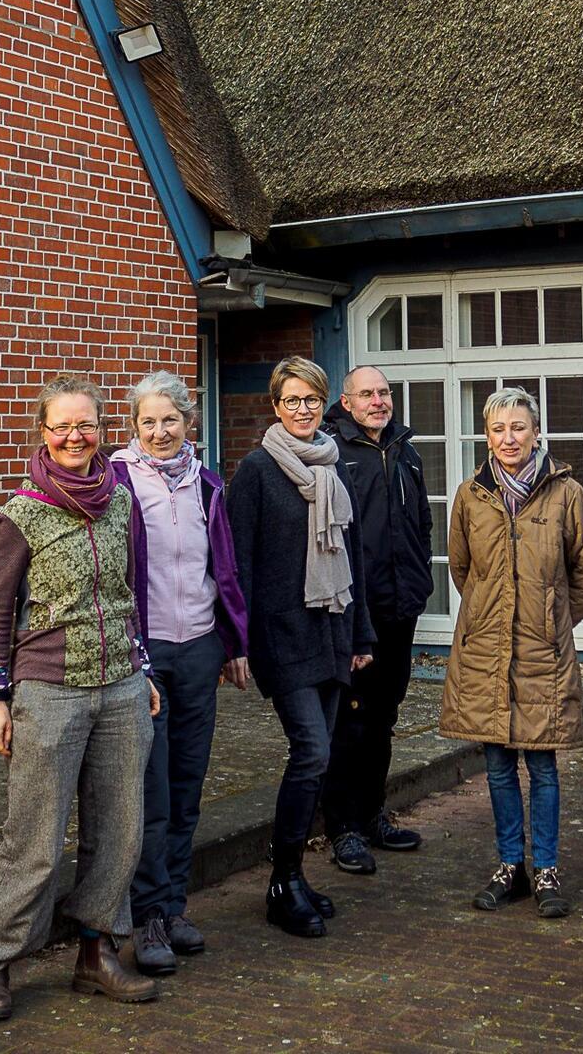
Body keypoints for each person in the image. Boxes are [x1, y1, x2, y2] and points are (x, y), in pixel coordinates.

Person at [0, 375, 162, 1021]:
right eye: (62, 426)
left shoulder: (121, 503)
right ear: (42, 434)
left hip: (121, 690)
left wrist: (145, 668)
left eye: (86, 425)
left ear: (102, 431)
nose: (75, 437)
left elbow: (133, 591)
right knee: (34, 840)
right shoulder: (21, 513)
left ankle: (96, 952)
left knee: (118, 832)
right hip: (48, 692)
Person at [227, 356, 375, 938]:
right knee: (311, 750)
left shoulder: (335, 469)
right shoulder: (257, 472)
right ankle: (281, 881)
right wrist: (236, 643)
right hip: (282, 637)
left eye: (312, 400)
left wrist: (361, 633)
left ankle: (292, 875)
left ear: (325, 405)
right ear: (275, 406)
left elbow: (352, 558)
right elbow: (237, 566)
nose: (303, 410)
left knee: (322, 755)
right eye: (292, 401)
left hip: (332, 631)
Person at [441, 387, 583, 920]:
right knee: (499, 765)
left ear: (537, 432)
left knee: (544, 766)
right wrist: (493, 614)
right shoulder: (471, 495)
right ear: (487, 436)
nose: (508, 438)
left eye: (518, 428)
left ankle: (548, 868)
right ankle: (510, 866)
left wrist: (553, 618)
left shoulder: (566, 493)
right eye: (497, 429)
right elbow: (463, 571)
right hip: (485, 650)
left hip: (541, 650)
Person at [112, 372, 249, 975]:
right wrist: (129, 654)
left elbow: (224, 569)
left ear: (189, 422)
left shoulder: (210, 485)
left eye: (171, 420)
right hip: (145, 655)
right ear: (133, 426)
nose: (160, 431)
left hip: (198, 648)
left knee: (189, 785)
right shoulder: (115, 482)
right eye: (149, 421)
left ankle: (175, 904)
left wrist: (233, 641)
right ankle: (146, 918)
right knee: (152, 790)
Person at [321, 364, 434, 875]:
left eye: (384, 393)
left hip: (399, 609)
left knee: (385, 716)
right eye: (366, 394)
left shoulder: (406, 451)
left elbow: (422, 525)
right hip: (353, 613)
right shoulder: (332, 455)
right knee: (351, 721)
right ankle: (342, 826)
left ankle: (371, 816)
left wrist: (420, 586)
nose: (377, 401)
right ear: (346, 402)